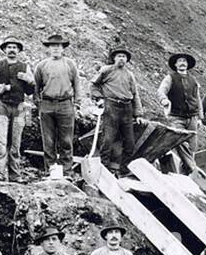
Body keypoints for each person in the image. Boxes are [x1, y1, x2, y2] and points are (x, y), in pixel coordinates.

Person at [0, 37, 35, 182]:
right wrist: (3, 88)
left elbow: (31, 90)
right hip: (2, 106)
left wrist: (29, 80)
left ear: (19, 50)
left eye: (14, 47)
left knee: (16, 142)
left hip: (19, 107)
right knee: (0, 141)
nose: (12, 50)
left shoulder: (25, 67)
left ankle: (15, 174)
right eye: (9, 47)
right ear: (4, 50)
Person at [33, 33, 82, 176]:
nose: (55, 49)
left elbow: (77, 84)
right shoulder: (42, 65)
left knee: (66, 140)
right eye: (52, 46)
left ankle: (66, 171)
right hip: (47, 104)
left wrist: (77, 104)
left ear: (63, 48)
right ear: (48, 48)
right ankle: (51, 170)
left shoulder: (70, 64)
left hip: (66, 104)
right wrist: (38, 103)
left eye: (58, 46)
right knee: (48, 140)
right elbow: (36, 87)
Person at [91, 46, 143, 176]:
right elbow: (93, 85)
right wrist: (100, 99)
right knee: (108, 139)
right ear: (114, 58)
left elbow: (135, 94)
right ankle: (103, 169)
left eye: (124, 57)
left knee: (130, 142)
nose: (121, 59)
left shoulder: (130, 75)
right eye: (119, 56)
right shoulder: (106, 70)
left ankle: (122, 170)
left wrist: (138, 114)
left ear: (127, 60)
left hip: (126, 108)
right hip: (111, 106)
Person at [157, 52, 201, 174]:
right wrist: (164, 100)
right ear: (175, 65)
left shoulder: (193, 80)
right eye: (180, 61)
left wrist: (201, 118)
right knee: (180, 141)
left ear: (187, 65)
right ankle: (194, 169)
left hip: (192, 117)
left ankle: (185, 175)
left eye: (184, 61)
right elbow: (161, 91)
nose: (182, 63)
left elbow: (198, 99)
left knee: (192, 147)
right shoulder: (170, 78)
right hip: (176, 117)